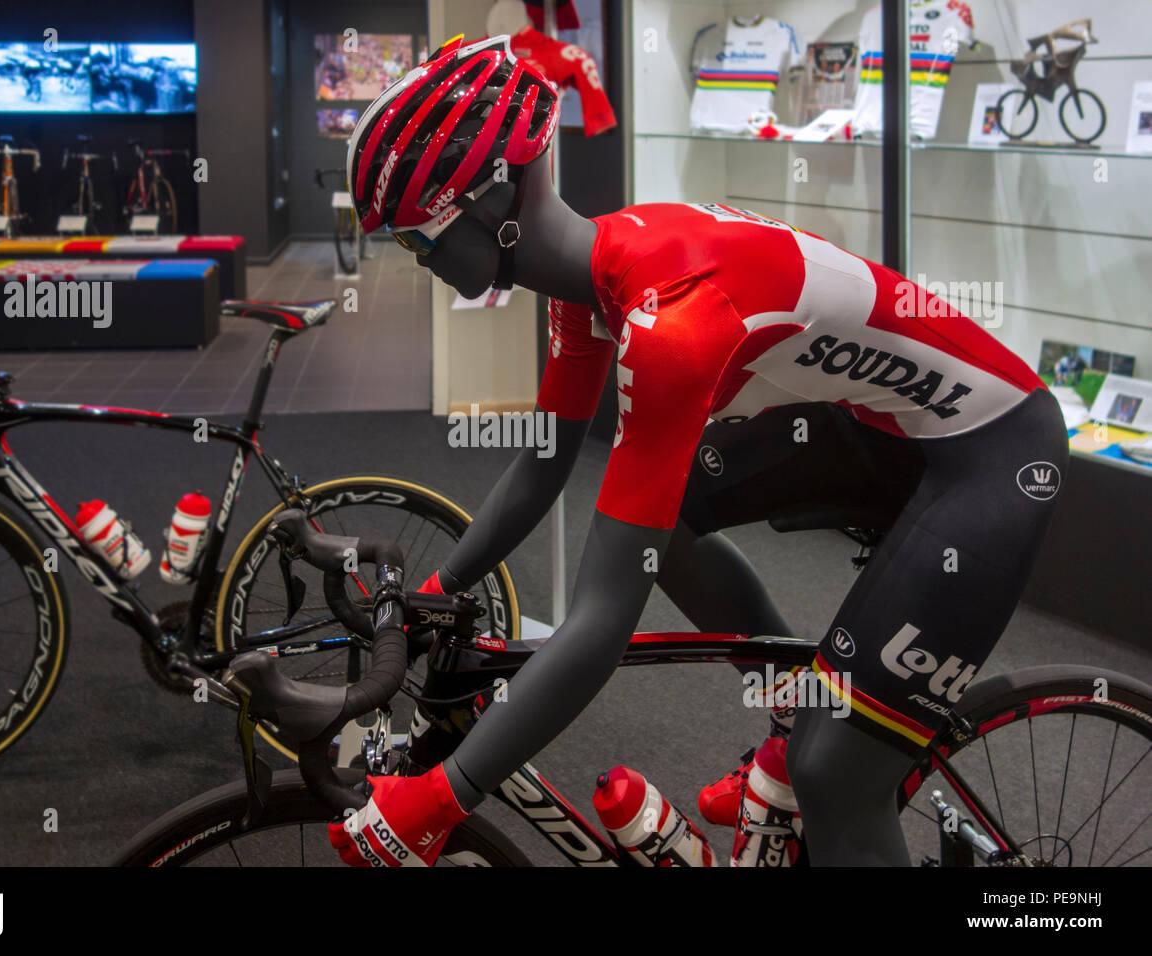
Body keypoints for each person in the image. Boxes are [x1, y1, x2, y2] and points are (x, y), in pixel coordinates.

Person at [329, 35, 1068, 867]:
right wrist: (440, 588)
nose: (418, 260)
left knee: (838, 779)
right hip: (875, 424)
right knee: (667, 522)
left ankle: (812, 752)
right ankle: (795, 714)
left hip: (994, 448)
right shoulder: (595, 279)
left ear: (489, 200)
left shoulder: (667, 316)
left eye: (417, 240)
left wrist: (441, 796)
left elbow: (603, 618)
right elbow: (543, 463)